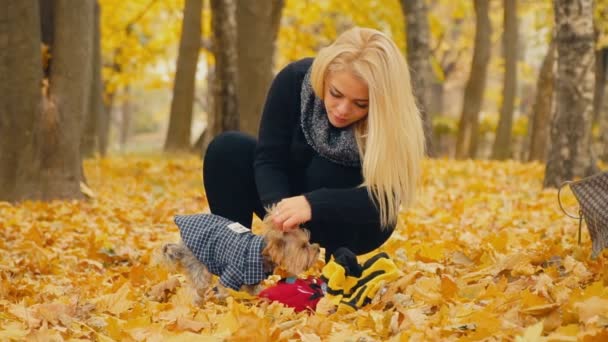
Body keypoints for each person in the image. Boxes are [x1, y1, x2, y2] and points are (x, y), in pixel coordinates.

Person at [203, 27, 425, 260]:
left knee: (326, 170)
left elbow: (384, 200)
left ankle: (336, 268)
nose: (342, 110)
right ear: (325, 75)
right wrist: (282, 214)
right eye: (336, 94)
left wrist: (314, 203)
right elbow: (270, 159)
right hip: (289, 204)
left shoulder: (394, 119)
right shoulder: (294, 80)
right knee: (227, 150)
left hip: (352, 220)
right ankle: (235, 258)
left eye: (360, 104)